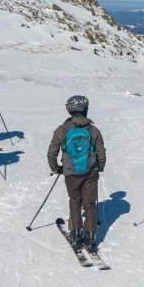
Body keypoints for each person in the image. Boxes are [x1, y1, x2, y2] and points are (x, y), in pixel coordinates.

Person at [47, 95, 106, 253]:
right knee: (90, 204)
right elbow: (101, 152)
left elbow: (52, 152)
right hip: (91, 171)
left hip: (71, 173)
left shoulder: (62, 130)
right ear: (84, 109)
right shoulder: (93, 130)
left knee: (75, 201)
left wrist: (57, 168)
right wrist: (99, 167)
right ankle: (91, 237)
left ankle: (75, 234)